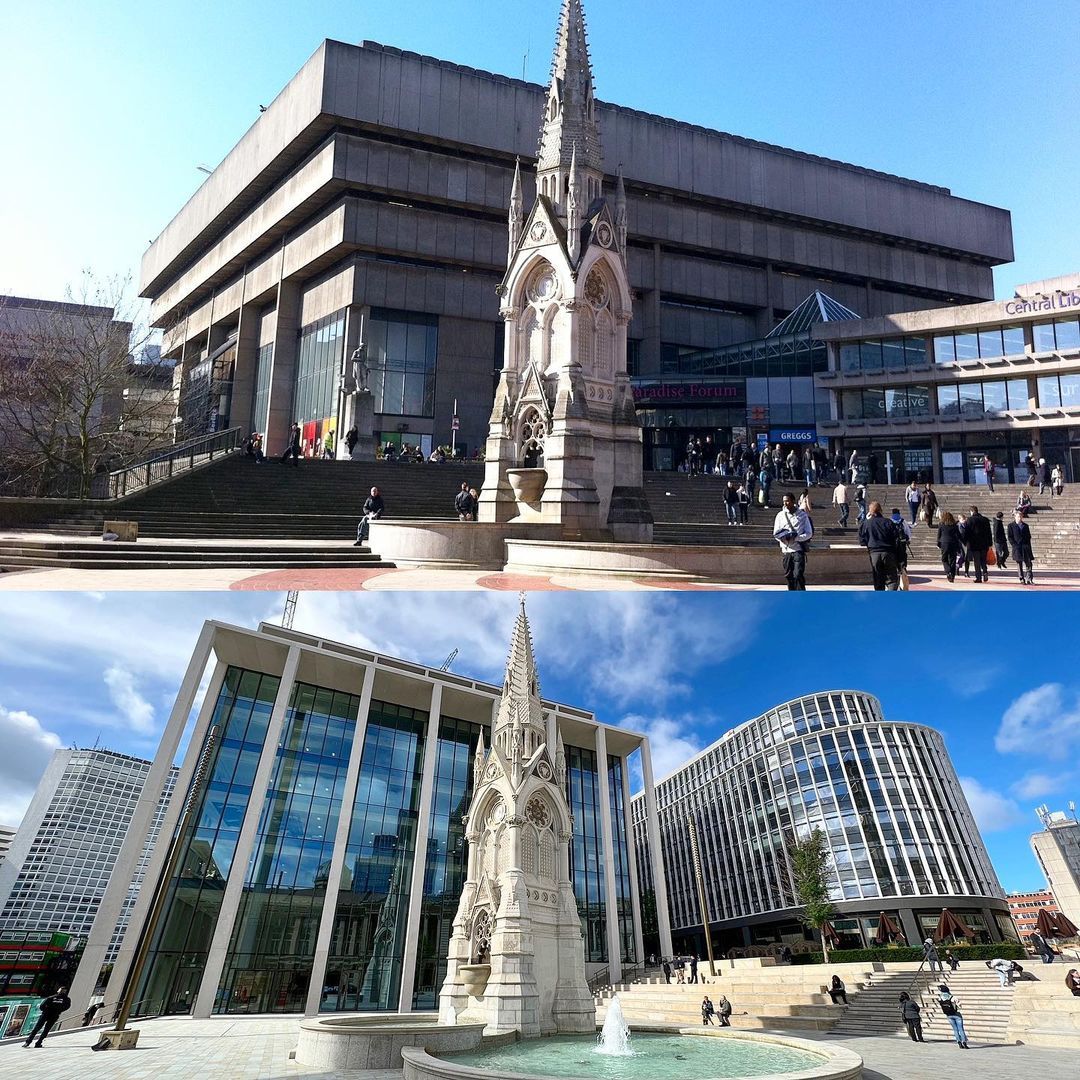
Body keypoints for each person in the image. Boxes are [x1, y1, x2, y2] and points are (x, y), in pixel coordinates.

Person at [772, 493, 813, 590]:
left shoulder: (803, 516)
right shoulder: (780, 515)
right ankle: (791, 595)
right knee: (789, 576)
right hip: (786, 550)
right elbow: (775, 533)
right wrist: (783, 538)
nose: (785, 503)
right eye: (784, 501)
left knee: (798, 574)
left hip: (798, 550)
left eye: (787, 501)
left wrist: (797, 538)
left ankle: (801, 596)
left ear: (793, 501)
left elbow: (809, 533)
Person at [858, 502, 900, 590]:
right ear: (880, 510)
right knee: (892, 579)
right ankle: (891, 599)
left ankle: (879, 599)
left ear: (870, 512)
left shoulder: (866, 524)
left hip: (874, 553)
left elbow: (862, 540)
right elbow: (896, 538)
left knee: (878, 580)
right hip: (888, 553)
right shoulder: (888, 522)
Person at [965, 505, 993, 583]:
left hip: (974, 544)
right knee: (983, 560)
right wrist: (990, 543)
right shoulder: (985, 519)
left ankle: (979, 577)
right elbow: (989, 533)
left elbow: (967, 532)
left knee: (977, 561)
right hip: (984, 544)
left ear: (972, 511)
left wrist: (966, 542)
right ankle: (985, 571)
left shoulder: (970, 520)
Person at [936, 984, 969, 1049]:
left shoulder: (940, 998)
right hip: (956, 1015)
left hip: (949, 1015)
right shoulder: (953, 997)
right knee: (961, 1029)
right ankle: (964, 1042)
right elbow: (959, 1006)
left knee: (955, 1029)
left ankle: (959, 1042)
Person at [1008, 509, 1035, 585]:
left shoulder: (1025, 526)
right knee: (1019, 564)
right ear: (1015, 517)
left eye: (1021, 516)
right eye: (1018, 516)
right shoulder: (1011, 526)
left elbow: (1029, 536)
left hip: (1025, 547)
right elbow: (1010, 537)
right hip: (1017, 548)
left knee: (1028, 564)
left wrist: (1027, 544)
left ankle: (1029, 579)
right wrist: (1014, 544)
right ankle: (1021, 578)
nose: (1019, 518)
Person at [936, 511, 963, 583]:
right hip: (953, 543)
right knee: (953, 560)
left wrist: (938, 544)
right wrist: (963, 541)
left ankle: (948, 572)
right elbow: (958, 535)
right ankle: (952, 576)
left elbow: (939, 535)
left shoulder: (941, 524)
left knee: (944, 559)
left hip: (944, 543)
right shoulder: (954, 525)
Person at [891, 509, 912, 589]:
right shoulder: (903, 521)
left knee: (894, 560)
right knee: (902, 559)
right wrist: (909, 540)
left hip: (893, 545)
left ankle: (896, 574)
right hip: (902, 544)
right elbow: (908, 531)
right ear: (899, 513)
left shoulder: (890, 521)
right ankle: (903, 571)